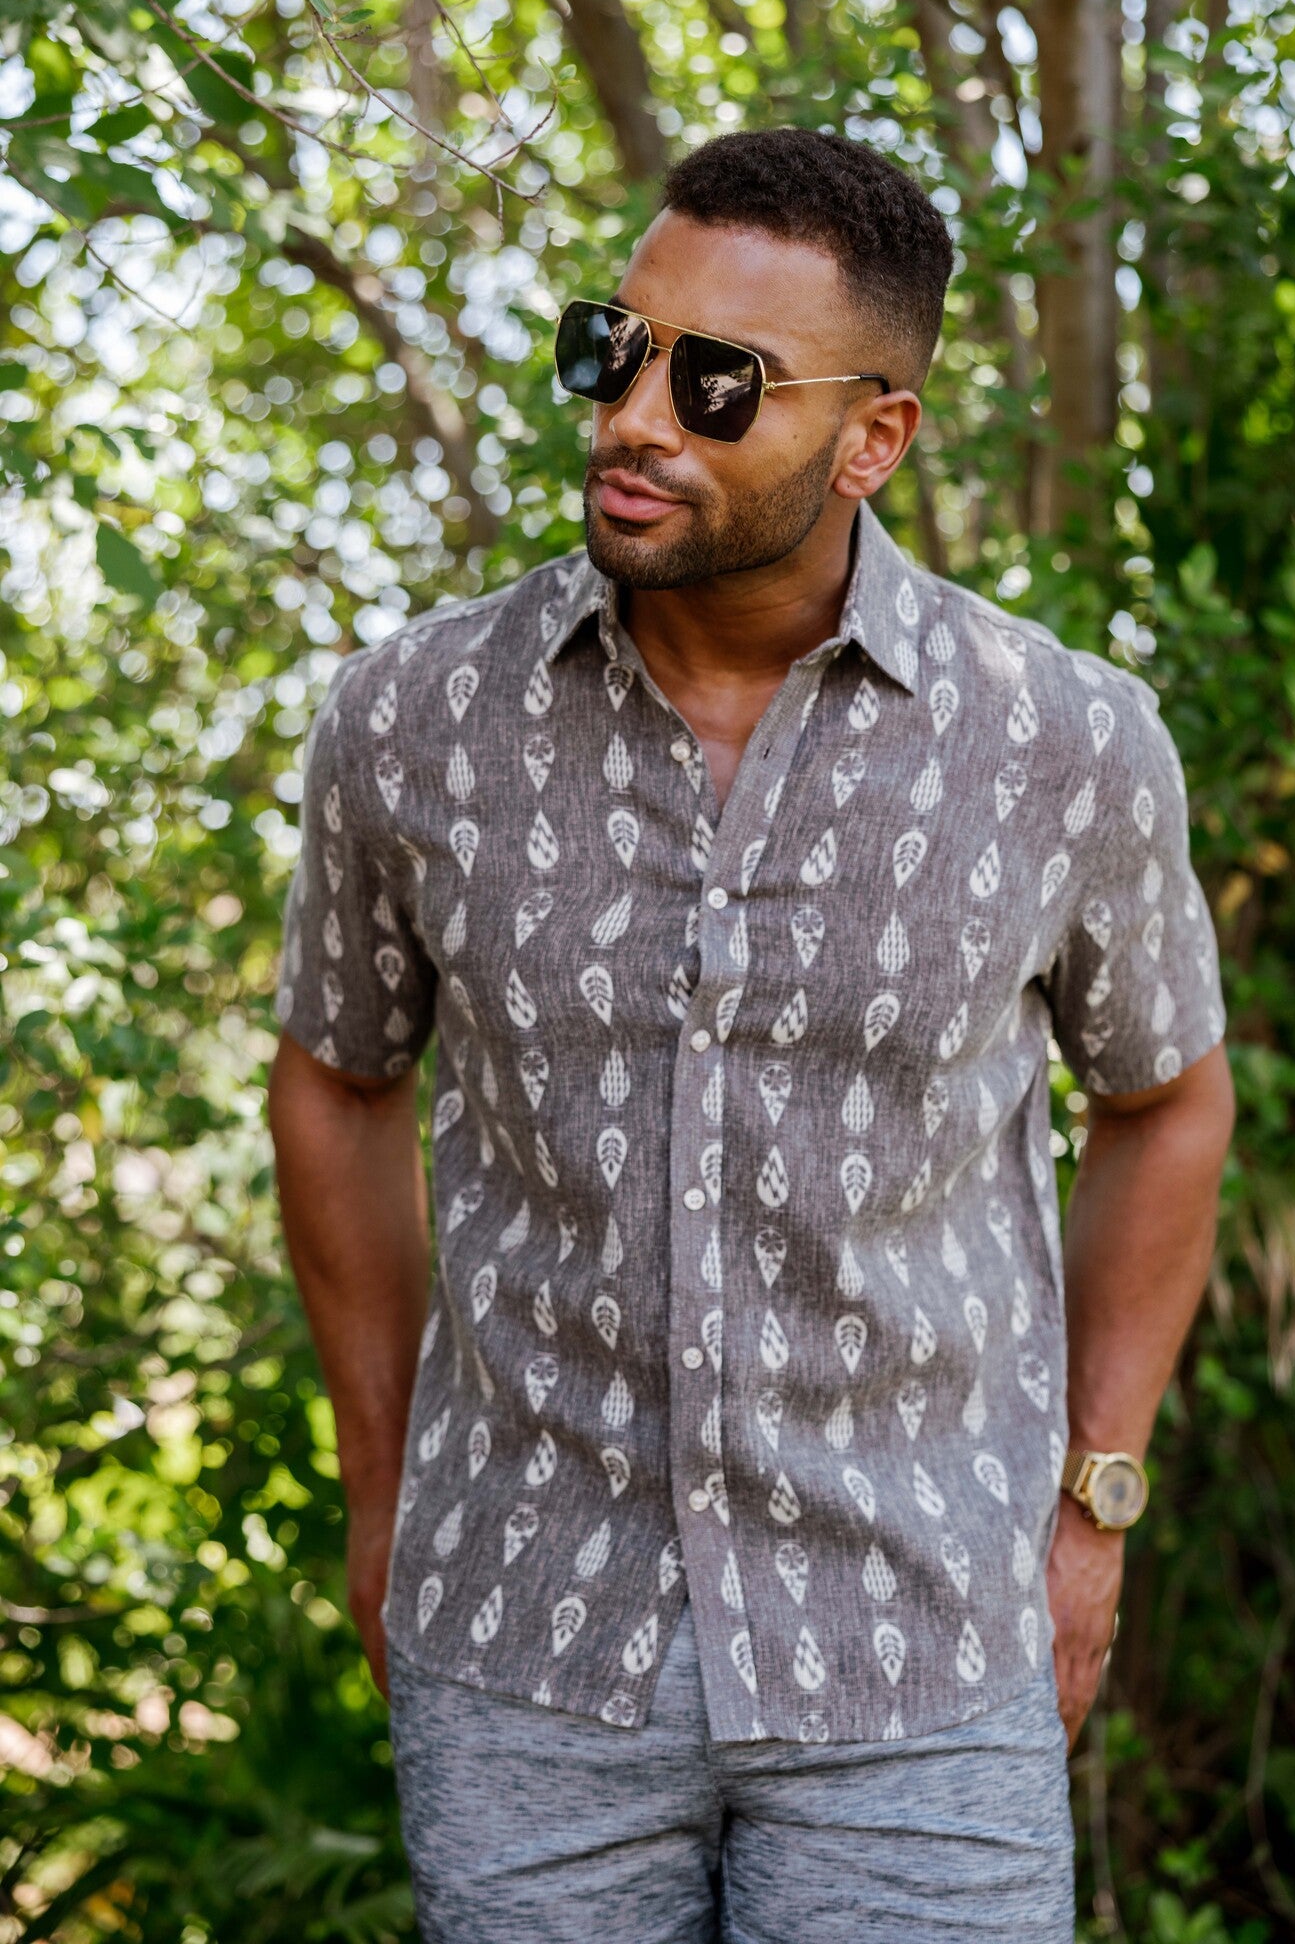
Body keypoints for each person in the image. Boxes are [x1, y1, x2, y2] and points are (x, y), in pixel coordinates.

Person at [268, 126, 1235, 1943]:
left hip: (925, 1657)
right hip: (521, 1650)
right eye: (611, 349)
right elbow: (333, 1077)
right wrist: (384, 1478)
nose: (637, 416)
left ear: (874, 436)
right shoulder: (410, 723)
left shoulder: (1065, 745)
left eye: (716, 383)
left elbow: (1167, 1098)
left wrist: (1093, 1504)